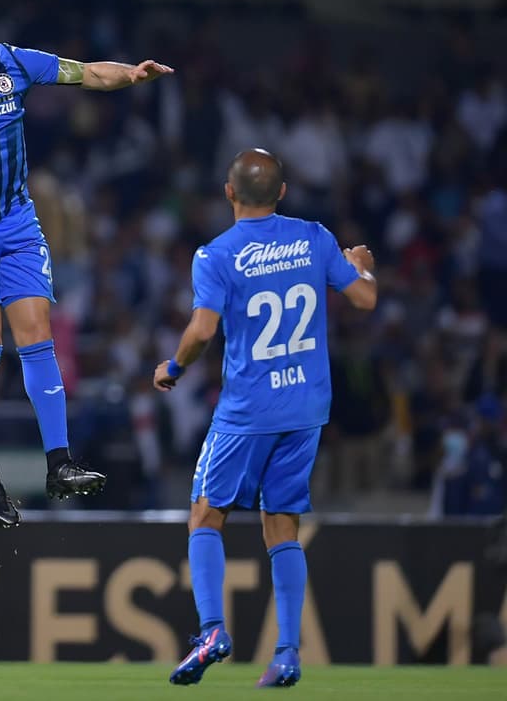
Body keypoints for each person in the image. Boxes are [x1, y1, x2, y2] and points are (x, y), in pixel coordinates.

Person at [0, 26, 173, 526]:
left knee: (38, 339)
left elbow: (89, 73)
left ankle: (60, 463)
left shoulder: (13, 62)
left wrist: (133, 75)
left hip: (17, 224)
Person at [153, 150, 377, 688]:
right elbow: (365, 298)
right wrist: (363, 261)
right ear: (281, 192)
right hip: (305, 408)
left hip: (248, 409)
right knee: (282, 527)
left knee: (206, 516)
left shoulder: (215, 255)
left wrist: (173, 366)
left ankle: (212, 630)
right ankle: (288, 653)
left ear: (228, 194)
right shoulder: (316, 238)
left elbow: (203, 331)